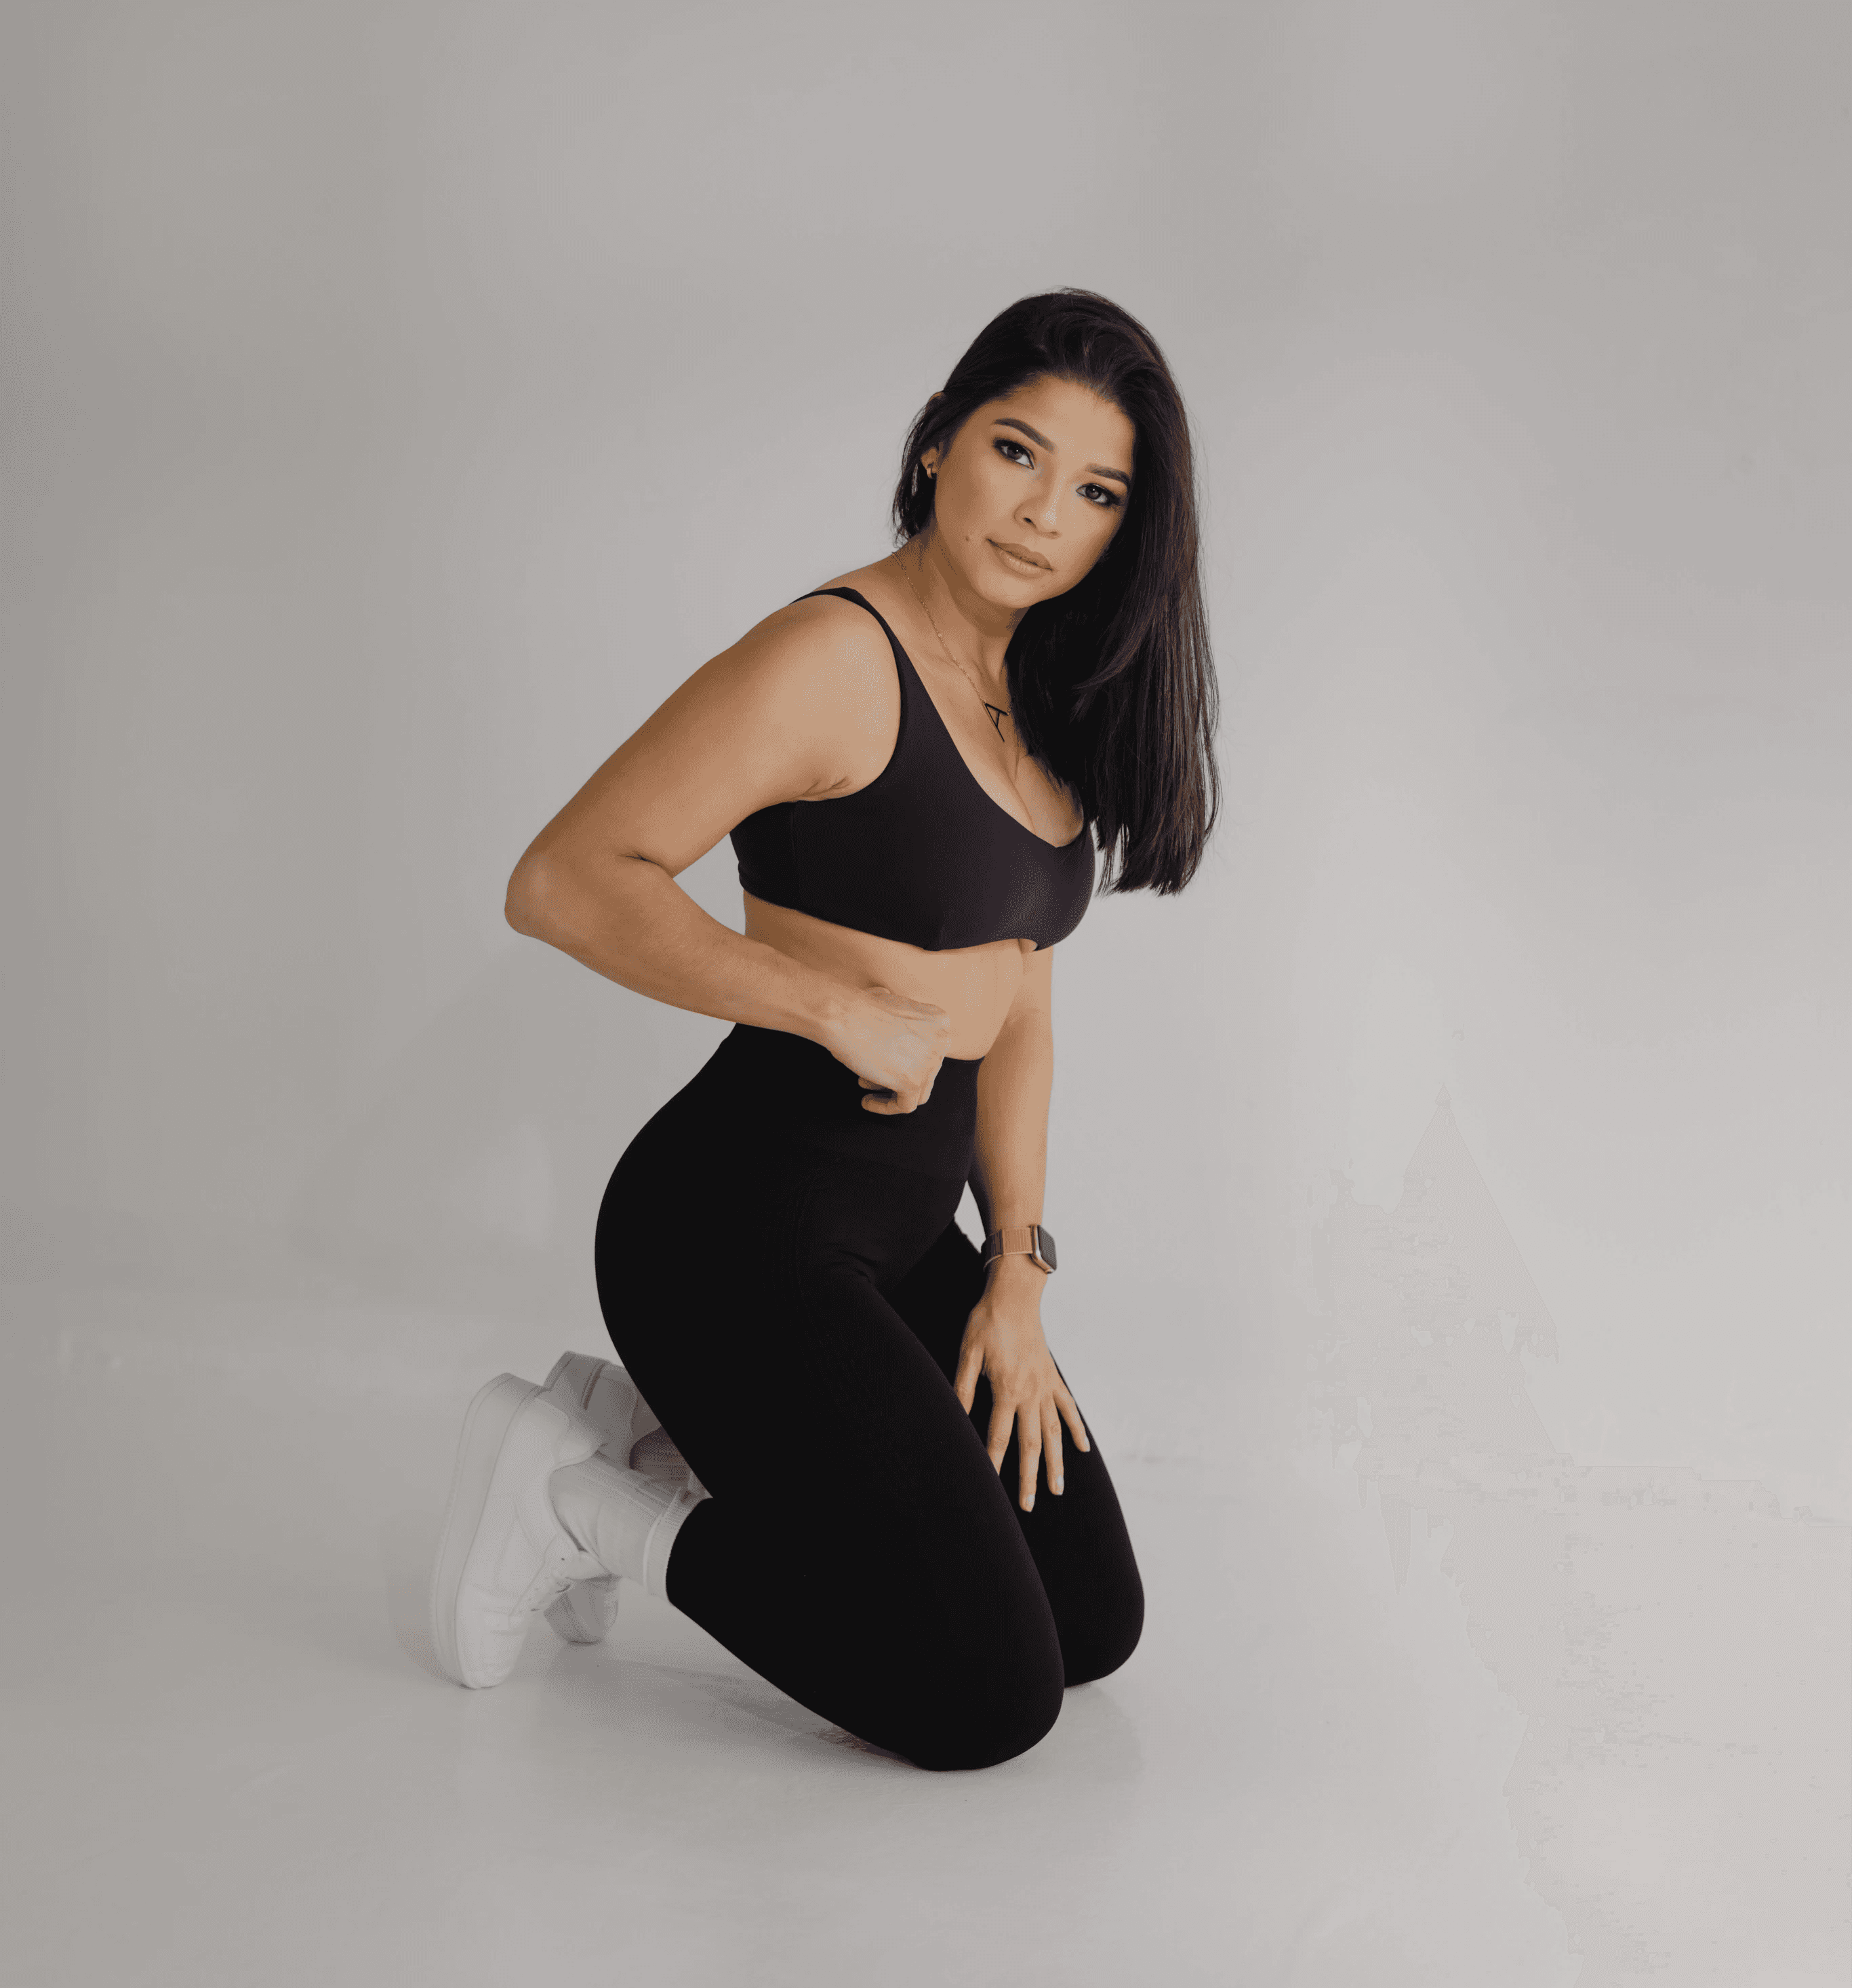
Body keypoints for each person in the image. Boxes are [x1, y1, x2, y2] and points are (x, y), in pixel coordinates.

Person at [427, 288, 1221, 1771]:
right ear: (937, 445)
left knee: (1090, 1619)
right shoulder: (834, 660)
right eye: (1017, 451)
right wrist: (829, 1005)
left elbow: (1023, 1002)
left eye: (1098, 491)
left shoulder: (1039, 695)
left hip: (904, 1236)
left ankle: (637, 1421)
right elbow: (564, 879)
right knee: (983, 1697)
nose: (1045, 514)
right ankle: (581, 1500)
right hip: (732, 1227)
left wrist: (1019, 1273)